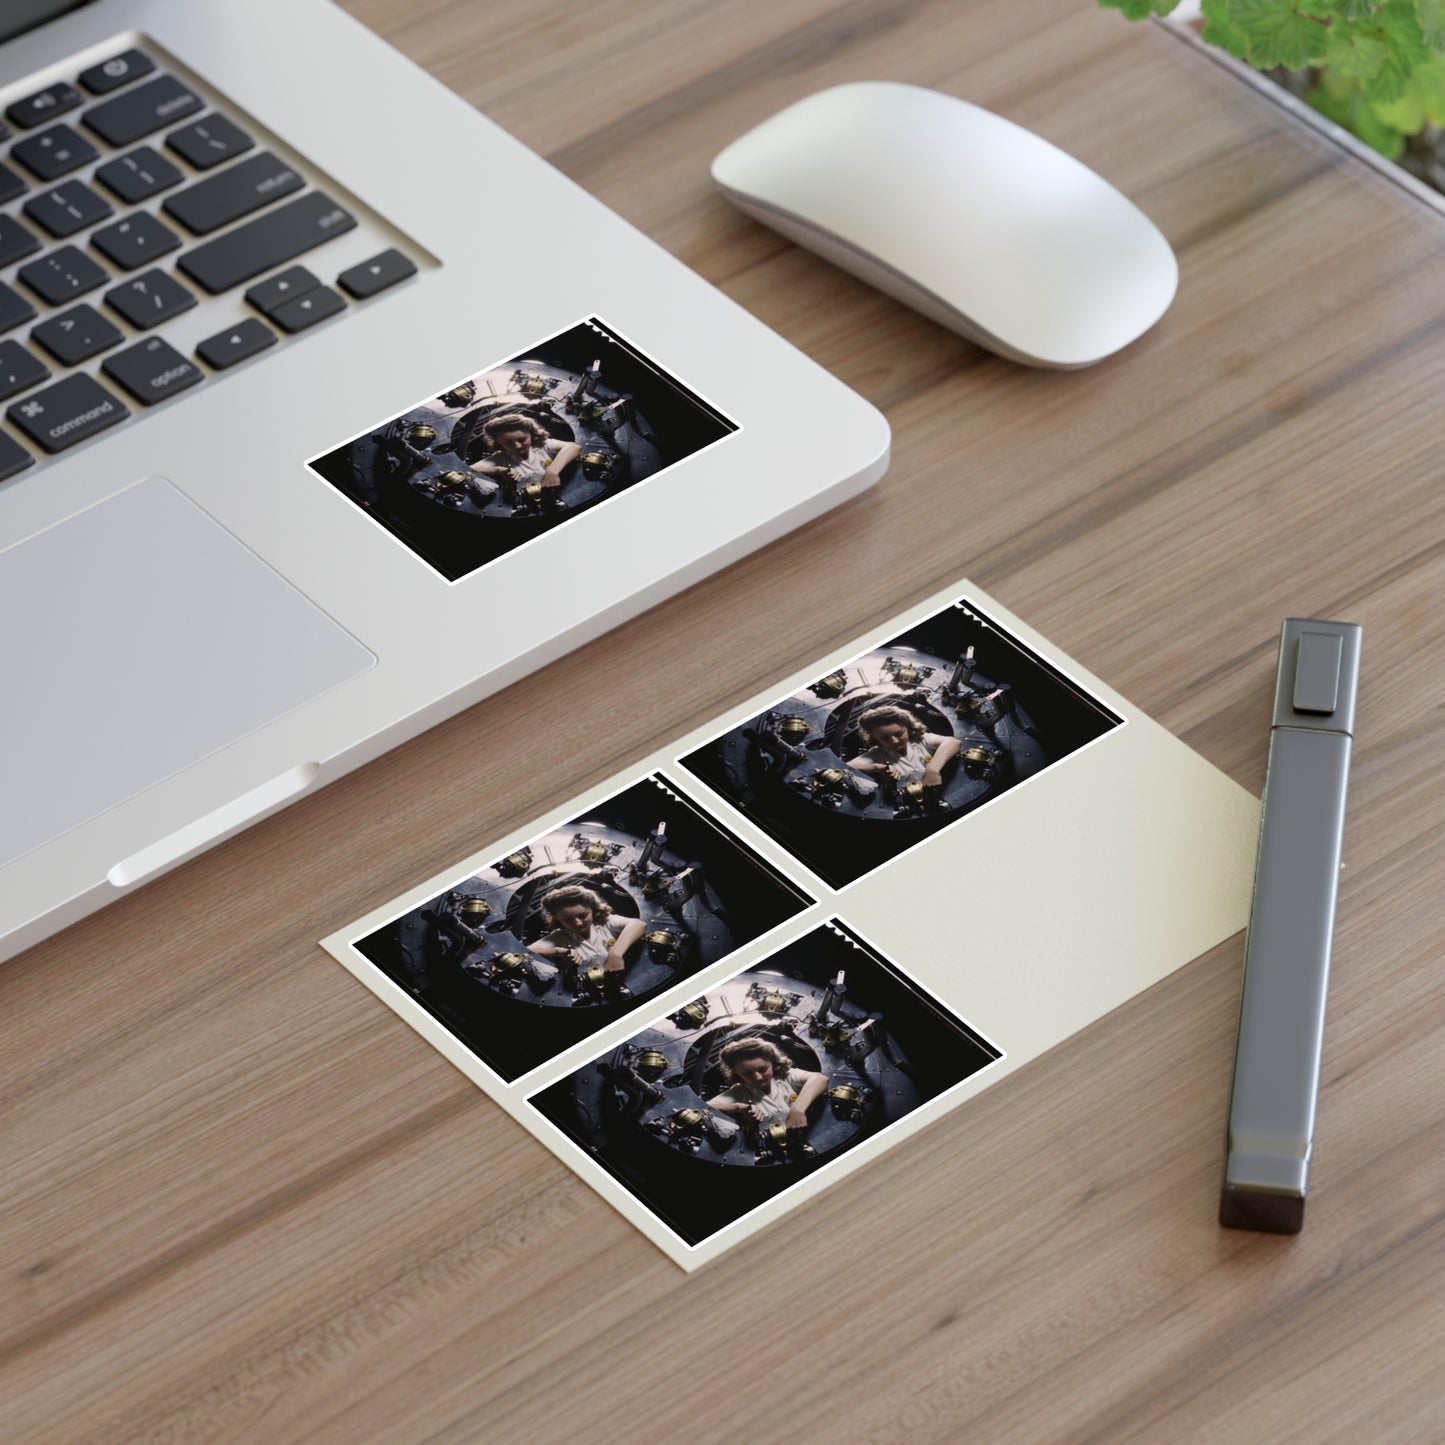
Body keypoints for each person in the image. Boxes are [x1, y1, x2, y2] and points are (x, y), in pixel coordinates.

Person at [527, 884, 644, 992]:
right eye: (567, 920)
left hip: (632, 982)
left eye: (583, 916)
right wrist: (557, 951)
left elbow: (638, 924)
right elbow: (524, 951)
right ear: (557, 919)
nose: (578, 923)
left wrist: (615, 954)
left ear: (592, 909)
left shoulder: (607, 922)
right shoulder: (560, 937)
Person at [706, 1037, 827, 1134]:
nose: (758, 1077)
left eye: (763, 1069)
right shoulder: (739, 1091)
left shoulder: (787, 1076)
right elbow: (703, 1108)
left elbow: (819, 1078)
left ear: (773, 1062)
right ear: (735, 1071)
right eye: (747, 1073)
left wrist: (797, 1110)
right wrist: (737, 1107)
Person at [468, 412, 580, 513]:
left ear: (531, 433)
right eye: (508, 443)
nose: (517, 446)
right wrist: (498, 469)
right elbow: (465, 470)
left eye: (522, 440)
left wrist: (552, 472)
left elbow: (573, 447)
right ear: (498, 442)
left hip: (566, 495)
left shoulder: (544, 445)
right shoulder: (500, 458)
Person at [845, 703, 960, 800]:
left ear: (908, 728)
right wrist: (876, 767)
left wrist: (933, 770)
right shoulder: (877, 754)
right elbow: (843, 767)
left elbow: (952, 742)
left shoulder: (922, 740)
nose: (894, 741)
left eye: (899, 734)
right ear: (874, 737)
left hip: (948, 795)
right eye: (884, 738)